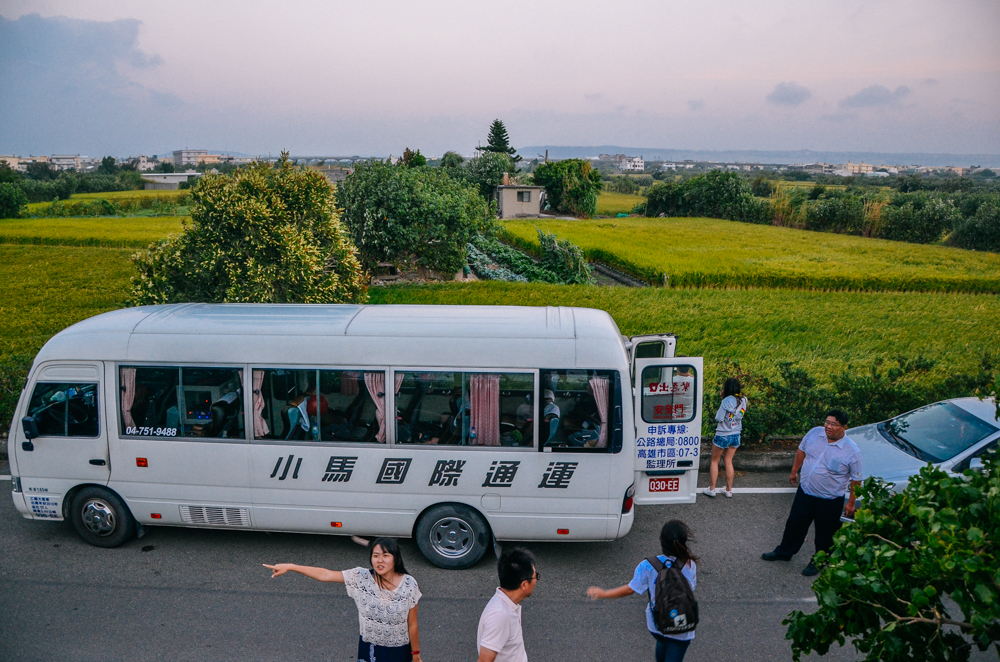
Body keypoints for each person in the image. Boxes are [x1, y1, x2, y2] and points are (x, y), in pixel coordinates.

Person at [264, 537, 423, 662]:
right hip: (371, 648)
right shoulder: (360, 578)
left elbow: (412, 624)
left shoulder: (409, 584)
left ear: (396, 558)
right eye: (375, 556)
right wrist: (291, 566)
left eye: (385, 555)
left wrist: (415, 655)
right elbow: (325, 575)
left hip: (399, 651)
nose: (379, 560)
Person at [761, 409, 862, 576]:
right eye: (827, 422)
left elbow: (856, 479)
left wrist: (851, 502)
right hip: (805, 492)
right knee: (794, 524)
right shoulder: (815, 433)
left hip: (829, 500)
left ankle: (819, 560)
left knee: (825, 534)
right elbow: (802, 451)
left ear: (844, 427)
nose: (828, 427)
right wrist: (794, 471)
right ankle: (784, 552)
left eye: (834, 424)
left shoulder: (852, 451)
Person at [586, 520, 698, 662]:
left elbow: (629, 589)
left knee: (662, 642)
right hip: (683, 627)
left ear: (661, 541)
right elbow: (690, 588)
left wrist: (603, 593)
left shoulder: (648, 566)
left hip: (659, 624)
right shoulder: (689, 564)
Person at [477, 548, 538, 662]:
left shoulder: (507, 605)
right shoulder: (500, 615)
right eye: (535, 576)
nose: (536, 581)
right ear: (524, 585)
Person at [703, 378, 748, 498]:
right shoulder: (743, 400)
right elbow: (739, 416)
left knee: (714, 461)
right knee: (728, 461)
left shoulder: (726, 401)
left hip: (723, 434)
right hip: (736, 434)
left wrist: (723, 400)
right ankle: (728, 490)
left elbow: (718, 418)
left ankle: (712, 489)